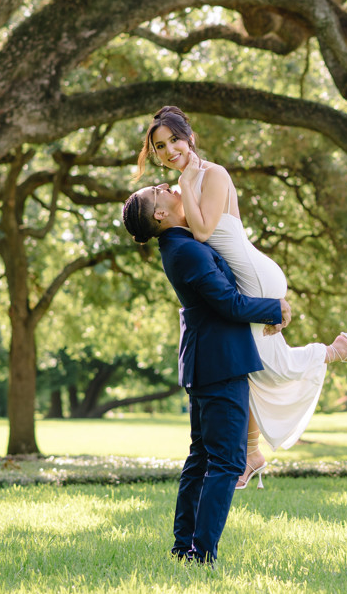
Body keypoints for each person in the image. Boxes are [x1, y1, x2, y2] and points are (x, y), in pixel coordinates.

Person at [134, 106, 347, 489]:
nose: (168, 150)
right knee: (244, 368)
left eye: (174, 140)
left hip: (253, 278)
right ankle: (252, 452)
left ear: (189, 137)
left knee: (272, 367)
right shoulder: (183, 186)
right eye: (160, 146)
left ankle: (336, 351)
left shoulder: (212, 174)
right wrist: (184, 183)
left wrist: (189, 179)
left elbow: (202, 232)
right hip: (242, 279)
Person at [122, 183, 288, 564]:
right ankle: (201, 554)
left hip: (208, 361)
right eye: (158, 190)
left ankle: (185, 549)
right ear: (160, 213)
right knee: (226, 461)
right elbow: (228, 303)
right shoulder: (187, 251)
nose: (167, 186)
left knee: (201, 458)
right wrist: (274, 308)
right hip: (220, 363)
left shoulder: (184, 245)